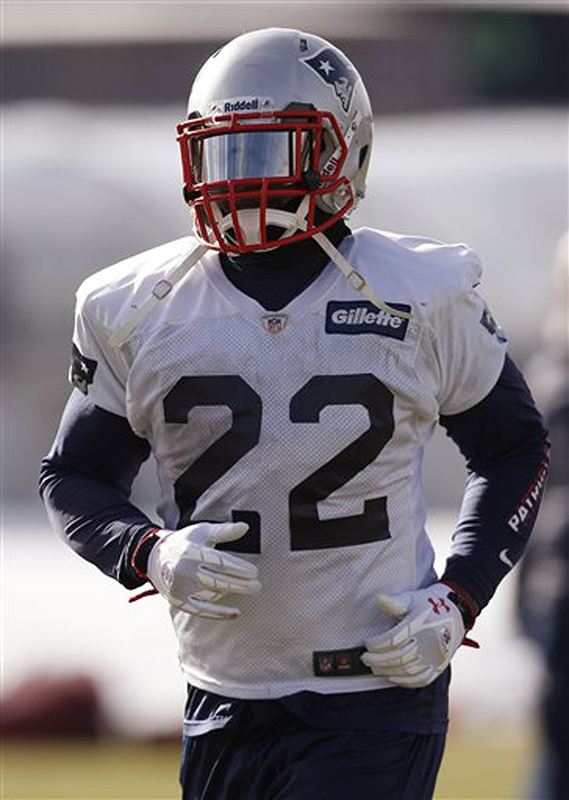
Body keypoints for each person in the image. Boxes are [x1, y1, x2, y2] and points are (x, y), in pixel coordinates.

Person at [40, 28, 550, 800]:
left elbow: (512, 447)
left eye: (271, 151)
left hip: (378, 688)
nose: (243, 180)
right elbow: (75, 474)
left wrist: (459, 596)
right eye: (227, 154)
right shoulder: (135, 305)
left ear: (341, 152)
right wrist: (146, 552)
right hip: (222, 691)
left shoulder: (418, 289)